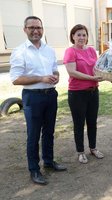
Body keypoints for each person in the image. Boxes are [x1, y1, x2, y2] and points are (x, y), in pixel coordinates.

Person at [9, 16, 67, 185]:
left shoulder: (49, 50)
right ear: (25, 29)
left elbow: (55, 71)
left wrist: (55, 77)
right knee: (33, 135)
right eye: (31, 27)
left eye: (39, 28)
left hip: (51, 95)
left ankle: (48, 162)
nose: (36, 31)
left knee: (49, 131)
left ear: (42, 29)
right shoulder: (19, 51)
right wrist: (41, 78)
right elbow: (16, 79)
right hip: (32, 97)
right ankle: (34, 169)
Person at [63, 24, 104, 164]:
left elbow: (98, 68)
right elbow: (72, 72)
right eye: (78, 34)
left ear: (87, 37)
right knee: (79, 123)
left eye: (84, 35)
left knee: (92, 122)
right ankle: (80, 152)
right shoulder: (70, 51)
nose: (81, 37)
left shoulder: (92, 50)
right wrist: (92, 78)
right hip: (77, 93)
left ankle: (93, 148)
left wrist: (106, 74)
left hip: (93, 92)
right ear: (73, 36)